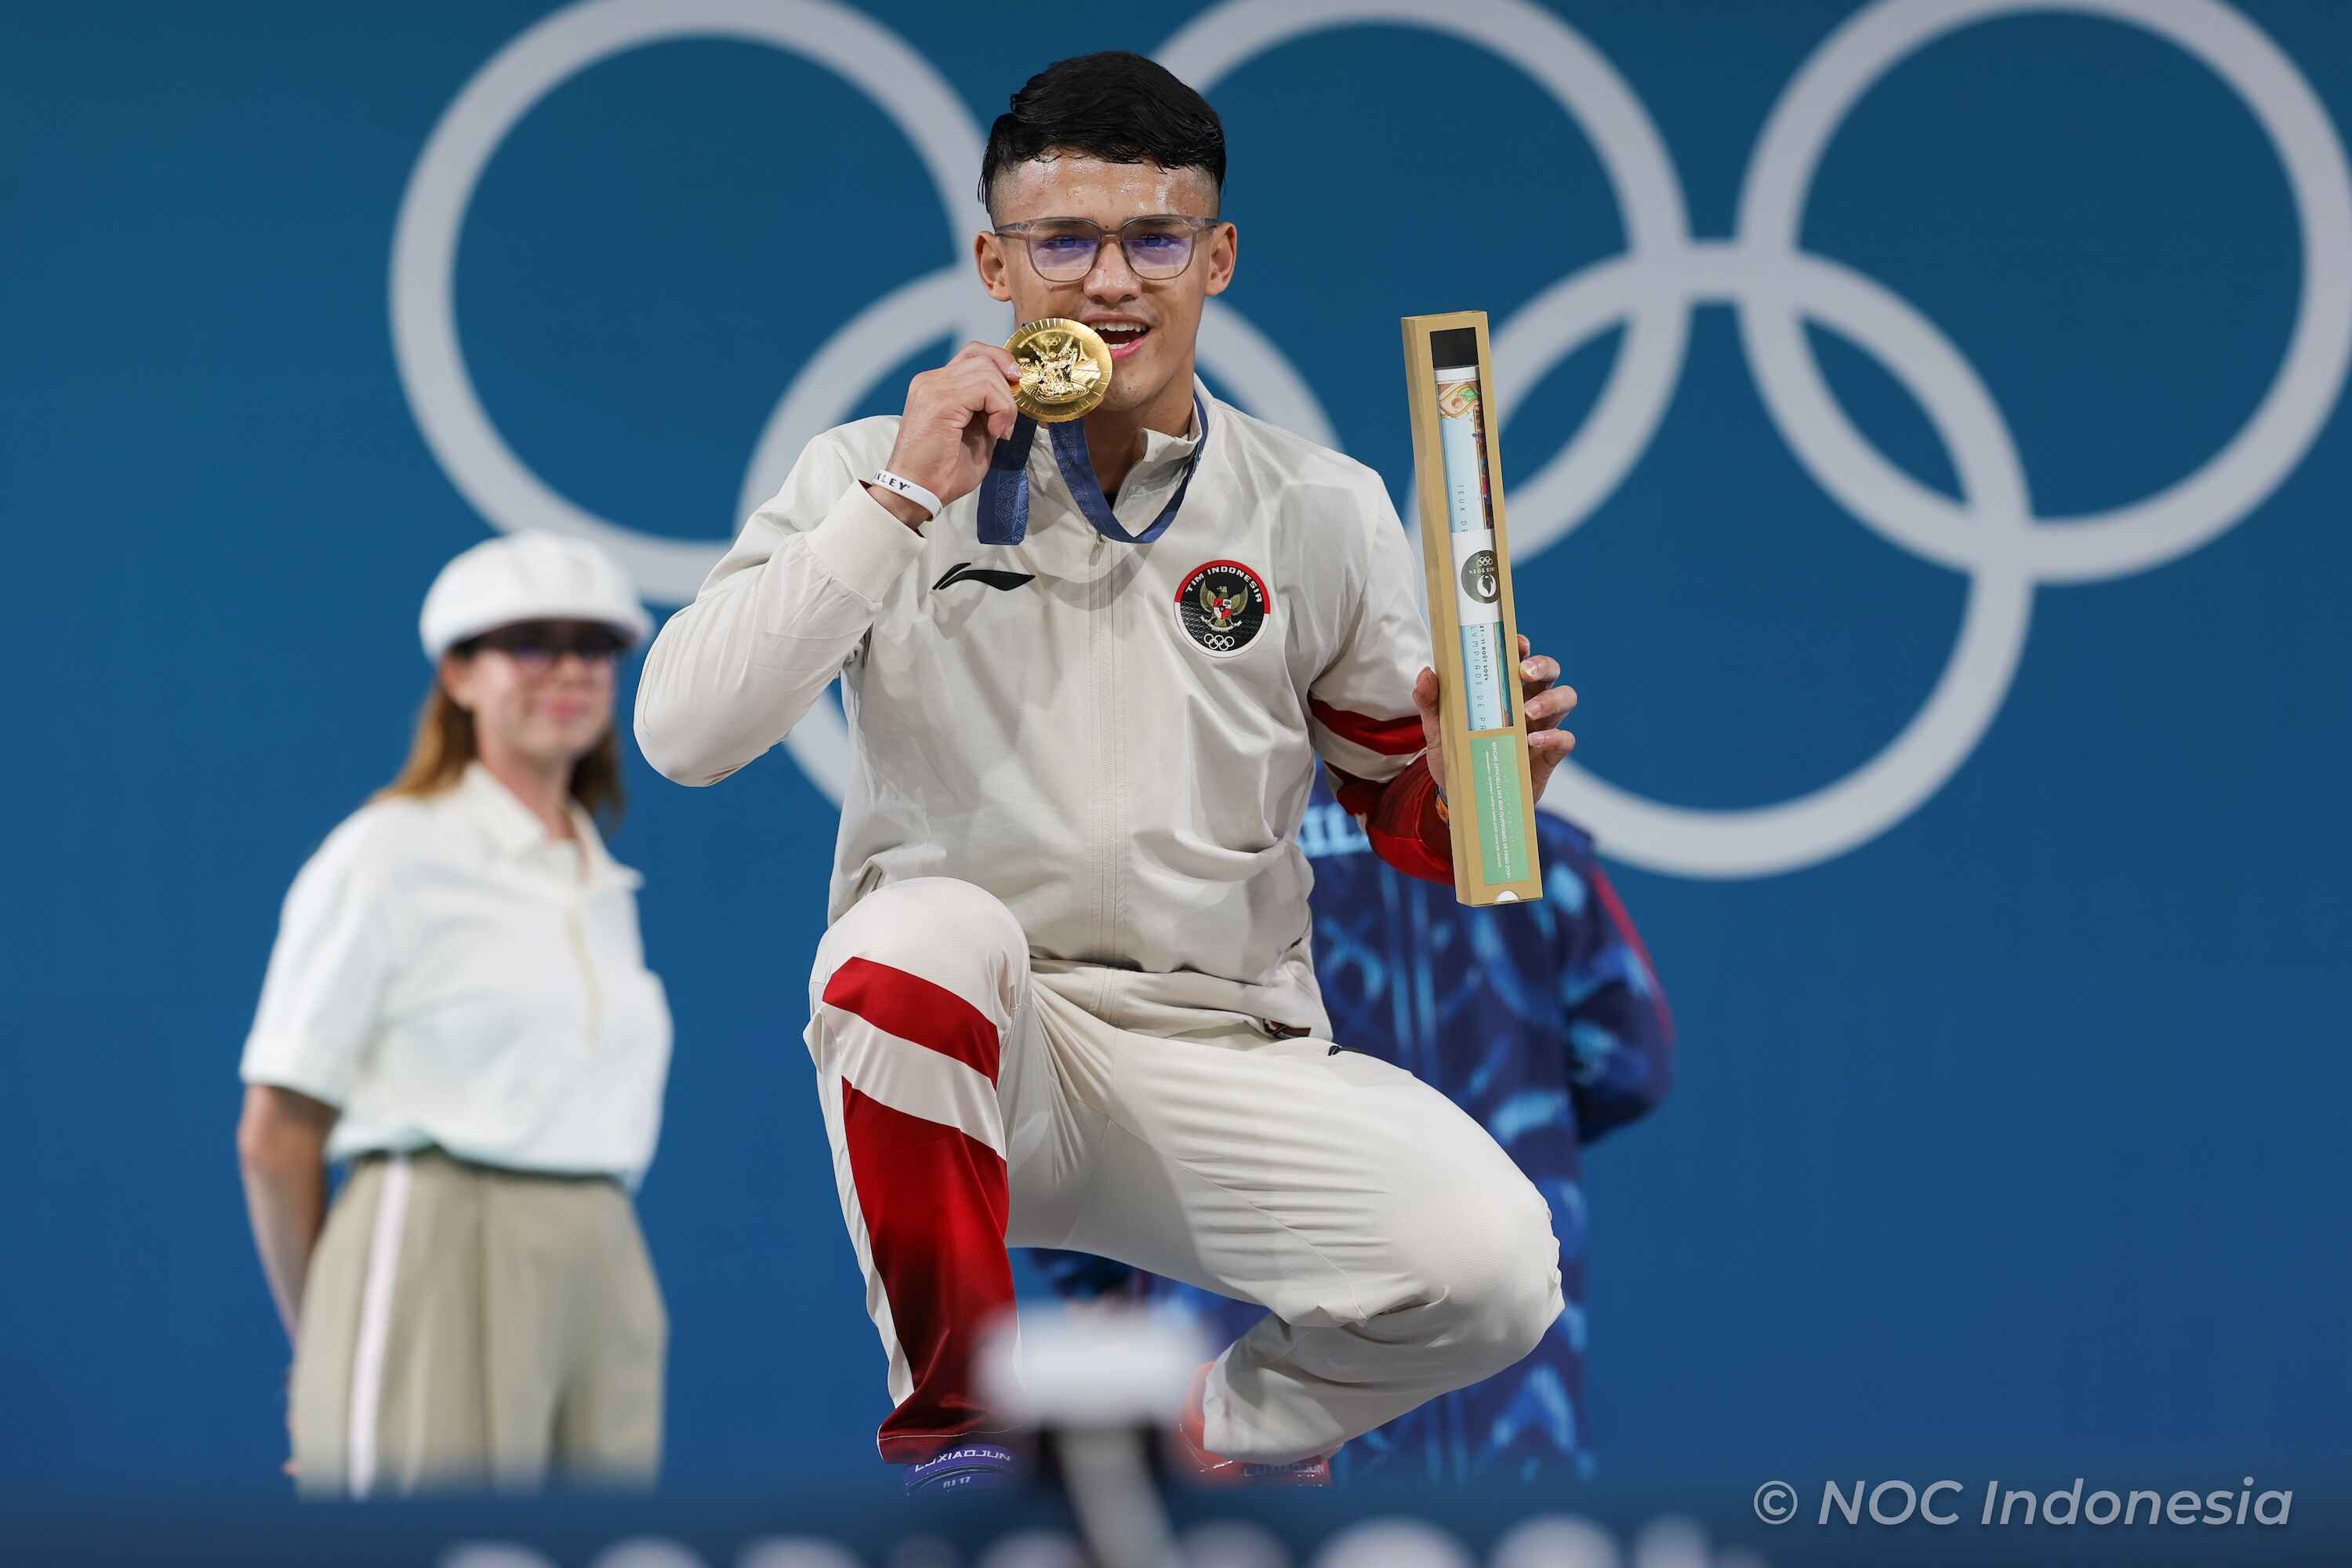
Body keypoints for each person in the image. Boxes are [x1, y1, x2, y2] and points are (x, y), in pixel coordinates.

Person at [635, 52, 1580, 1492]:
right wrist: (901, 498)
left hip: (1229, 1054)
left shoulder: (1321, 505)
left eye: (1153, 239)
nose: (1109, 284)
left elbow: (1417, 825)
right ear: (995, 264)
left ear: (1219, 257)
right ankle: (963, 1441)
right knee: (906, 943)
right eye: (1062, 242)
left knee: (1497, 1268)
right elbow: (684, 738)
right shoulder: (871, 475)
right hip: (994, 1048)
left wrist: (1480, 780)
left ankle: (1204, 1443)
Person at [1034, 774, 1675, 1483]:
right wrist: (1511, 1139)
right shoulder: (1518, 841)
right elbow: (1629, 1064)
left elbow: (1077, 1098)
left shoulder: (1169, 857)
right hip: (1504, 1396)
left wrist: (1098, 1277)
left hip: (1241, 1390)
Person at [236, 532, 673, 1496]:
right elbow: (277, 1131)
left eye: (594, 646)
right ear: (459, 674)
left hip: (604, 1246)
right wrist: (332, 1348)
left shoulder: (595, 873)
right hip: (439, 1233)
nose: (568, 668)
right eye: (529, 640)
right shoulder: (390, 853)